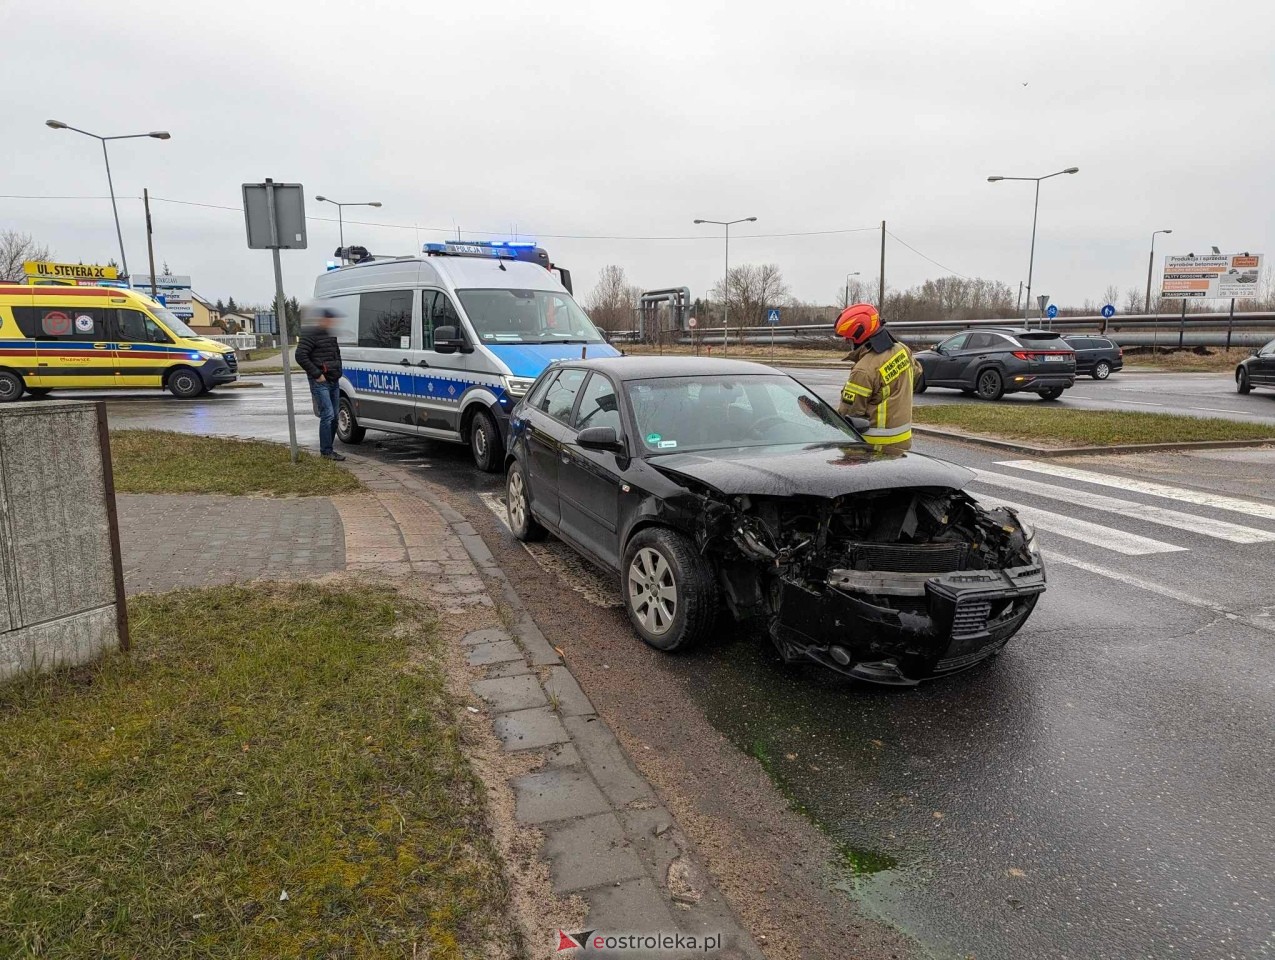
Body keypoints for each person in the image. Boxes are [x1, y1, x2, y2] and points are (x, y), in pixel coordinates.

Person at [835, 302, 921, 451]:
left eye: (848, 338)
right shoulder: (902, 349)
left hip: (874, 449)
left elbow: (847, 417)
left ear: (858, 335)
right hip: (903, 443)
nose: (846, 341)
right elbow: (917, 374)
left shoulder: (863, 371)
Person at [295, 303, 347, 461]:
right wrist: (317, 374)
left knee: (335, 417)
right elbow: (300, 355)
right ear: (323, 320)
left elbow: (336, 355)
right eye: (330, 320)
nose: (333, 323)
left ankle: (329, 449)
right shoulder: (311, 334)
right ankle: (326, 451)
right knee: (328, 415)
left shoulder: (330, 335)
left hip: (333, 379)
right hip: (320, 381)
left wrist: (338, 371)